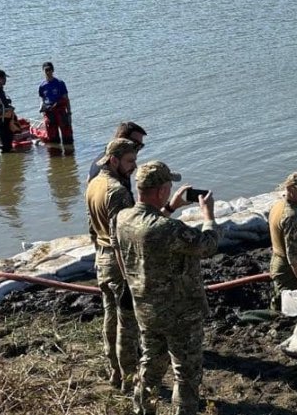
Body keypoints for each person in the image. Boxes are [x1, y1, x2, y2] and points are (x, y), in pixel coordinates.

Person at [115, 160, 219, 415]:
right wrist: (208, 216)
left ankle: (141, 409)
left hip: (147, 310)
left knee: (151, 364)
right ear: (161, 190)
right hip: (181, 313)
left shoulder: (123, 218)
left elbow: (149, 228)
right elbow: (208, 245)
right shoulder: (169, 229)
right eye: (168, 187)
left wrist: (171, 206)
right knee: (186, 373)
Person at [85, 138, 140, 392]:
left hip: (102, 258)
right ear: (114, 160)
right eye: (130, 161)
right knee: (127, 321)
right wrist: (130, 276)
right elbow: (122, 237)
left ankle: (115, 372)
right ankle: (129, 376)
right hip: (118, 262)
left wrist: (100, 253)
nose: (134, 167)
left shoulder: (94, 183)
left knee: (110, 315)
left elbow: (91, 228)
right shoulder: (117, 191)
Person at [267, 172, 297, 309]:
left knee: (280, 300)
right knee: (291, 307)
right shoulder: (291, 217)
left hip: (276, 261)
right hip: (286, 269)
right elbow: (294, 256)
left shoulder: (278, 205)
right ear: (291, 189)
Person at [88, 122, 148, 188]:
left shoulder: (103, 159)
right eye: (136, 145)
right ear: (121, 139)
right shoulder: (110, 171)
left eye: (141, 146)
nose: (137, 149)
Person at [38, 61, 73, 145]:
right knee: (53, 139)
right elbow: (43, 99)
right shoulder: (42, 86)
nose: (48, 72)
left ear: (52, 70)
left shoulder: (60, 83)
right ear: (43, 71)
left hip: (60, 111)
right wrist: (41, 108)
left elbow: (66, 99)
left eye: (50, 70)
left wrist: (69, 113)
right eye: (46, 70)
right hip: (49, 113)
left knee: (67, 138)